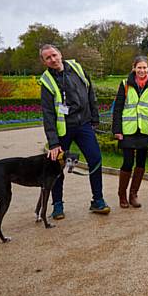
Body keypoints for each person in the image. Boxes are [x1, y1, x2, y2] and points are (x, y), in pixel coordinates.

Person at [39, 44, 110, 219]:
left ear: (60, 54)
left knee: (95, 159)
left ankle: (98, 200)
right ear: (44, 61)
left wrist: (95, 117)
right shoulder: (47, 80)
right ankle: (57, 204)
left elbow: (90, 92)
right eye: (48, 58)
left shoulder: (77, 68)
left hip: (84, 124)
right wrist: (53, 143)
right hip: (63, 129)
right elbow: (47, 113)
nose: (53, 59)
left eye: (54, 55)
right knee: (56, 166)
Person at [112, 56, 148, 209]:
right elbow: (118, 108)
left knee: (141, 163)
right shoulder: (125, 84)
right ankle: (122, 194)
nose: (142, 70)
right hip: (128, 129)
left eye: (145, 68)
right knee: (127, 162)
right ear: (134, 68)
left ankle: (133, 194)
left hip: (145, 130)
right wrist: (117, 130)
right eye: (139, 67)